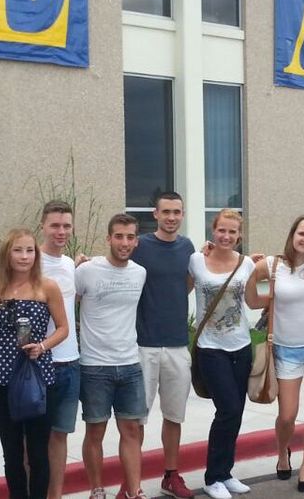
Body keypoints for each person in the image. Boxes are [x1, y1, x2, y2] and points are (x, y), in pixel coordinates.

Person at [246, 214, 304, 494]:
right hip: (286, 350)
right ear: (292, 235)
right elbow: (255, 301)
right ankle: (283, 453)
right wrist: (252, 271)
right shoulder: (272, 267)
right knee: (287, 414)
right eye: (301, 234)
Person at [0, 228, 69, 499]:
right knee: (11, 451)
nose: (24, 256)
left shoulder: (47, 286)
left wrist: (43, 346)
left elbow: (63, 328)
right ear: (7, 254)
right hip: (2, 376)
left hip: (37, 375)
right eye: (18, 250)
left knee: (37, 451)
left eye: (29, 250)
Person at [77, 214, 150, 499]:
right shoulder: (86, 271)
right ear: (108, 238)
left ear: (136, 241)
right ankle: (97, 489)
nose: (124, 242)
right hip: (94, 366)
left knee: (131, 430)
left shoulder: (139, 272)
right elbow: (69, 301)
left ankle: (134, 491)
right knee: (95, 432)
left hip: (130, 364)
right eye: (118, 236)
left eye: (130, 237)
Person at [131, 192, 197, 498]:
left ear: (182, 215)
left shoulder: (187, 247)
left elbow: (187, 283)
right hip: (142, 345)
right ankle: (131, 483)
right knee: (136, 419)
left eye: (177, 212)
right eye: (166, 212)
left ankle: (171, 475)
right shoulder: (140, 246)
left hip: (177, 344)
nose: (172, 217)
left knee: (174, 416)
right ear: (155, 214)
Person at [188, 209, 255, 499]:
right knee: (227, 409)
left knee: (236, 412)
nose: (226, 236)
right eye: (221, 230)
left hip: (241, 345)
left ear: (239, 235)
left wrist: (269, 279)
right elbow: (179, 289)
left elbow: (255, 298)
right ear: (213, 231)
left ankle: (226, 473)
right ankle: (212, 477)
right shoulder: (195, 260)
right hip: (210, 348)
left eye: (232, 232)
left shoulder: (248, 263)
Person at [38, 201, 82, 499]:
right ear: (43, 226)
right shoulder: (30, 261)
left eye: (66, 225)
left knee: (60, 437)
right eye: (55, 225)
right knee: (33, 440)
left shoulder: (69, 265)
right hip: (38, 363)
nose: (61, 231)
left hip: (70, 362)